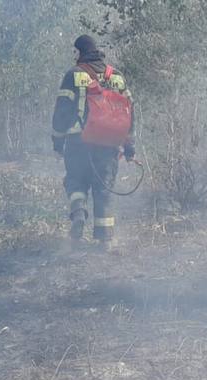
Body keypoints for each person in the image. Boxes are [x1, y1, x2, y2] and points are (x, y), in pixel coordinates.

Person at [51, 34, 136, 247]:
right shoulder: (116, 76)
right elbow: (129, 112)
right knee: (103, 189)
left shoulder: (74, 75)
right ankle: (105, 241)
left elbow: (61, 111)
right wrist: (128, 145)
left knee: (75, 180)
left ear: (80, 52)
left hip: (78, 141)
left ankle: (79, 212)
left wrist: (57, 141)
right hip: (108, 144)